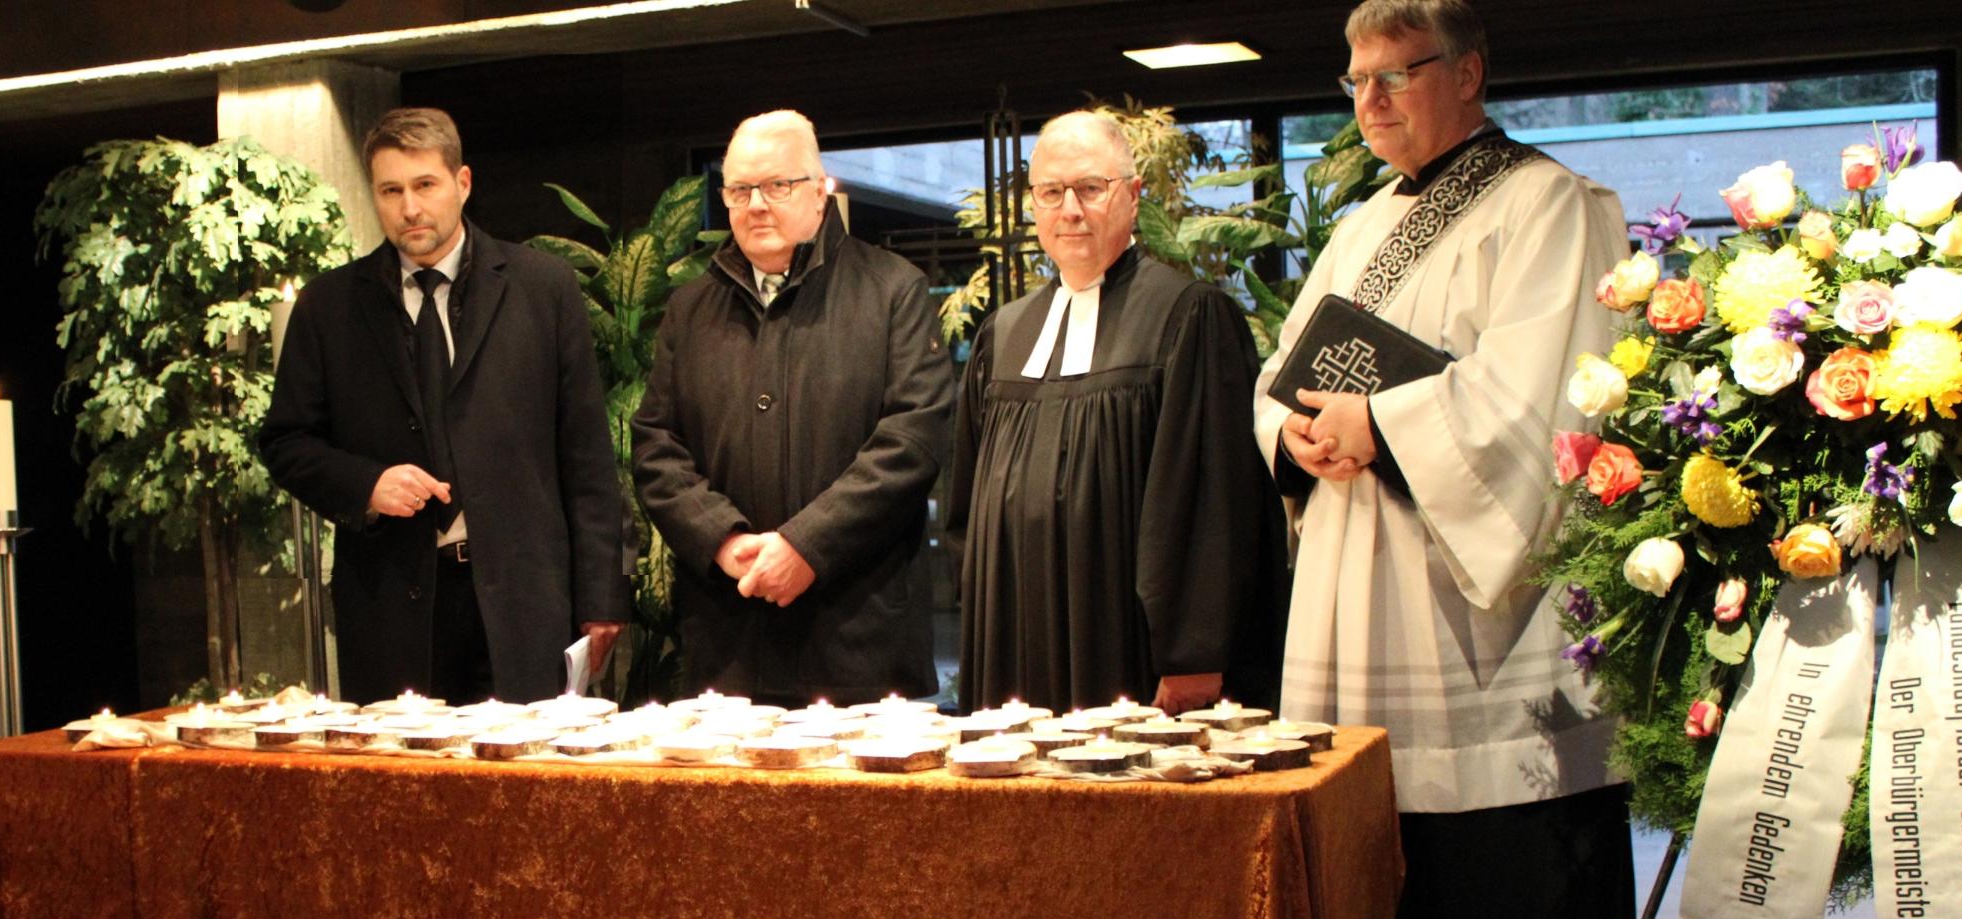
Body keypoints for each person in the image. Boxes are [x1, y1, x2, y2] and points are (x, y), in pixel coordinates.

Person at [1252, 1, 1641, 919]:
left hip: (1483, 614)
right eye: (1354, 79)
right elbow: (1282, 376)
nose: (1368, 100)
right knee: (1385, 882)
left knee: (1495, 890)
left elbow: (1545, 402)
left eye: (1396, 75)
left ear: (1469, 73)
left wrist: (1388, 424)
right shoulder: (1363, 223)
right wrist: (1298, 433)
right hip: (1356, 582)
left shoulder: (1555, 208)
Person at [260, 107, 629, 705]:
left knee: (523, 788)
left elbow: (585, 452)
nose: (409, 208)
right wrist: (366, 483)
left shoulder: (544, 287)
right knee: (406, 790)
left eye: (425, 186)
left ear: (462, 183)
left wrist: (602, 596)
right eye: (391, 190)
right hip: (389, 603)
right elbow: (285, 441)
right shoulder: (329, 307)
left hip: (523, 600)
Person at [949, 109, 1288, 715]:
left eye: (1090, 188)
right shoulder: (1003, 333)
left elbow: (1213, 503)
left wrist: (1193, 654)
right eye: (1051, 193)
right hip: (1011, 644)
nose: (1070, 210)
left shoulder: (1189, 317)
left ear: (1133, 195)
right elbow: (967, 504)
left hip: (1128, 647)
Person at [631, 110, 953, 707]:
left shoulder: (892, 290)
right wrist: (722, 539)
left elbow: (913, 439)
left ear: (819, 190)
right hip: (730, 641)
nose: (757, 204)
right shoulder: (690, 309)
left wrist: (807, 545)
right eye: (739, 189)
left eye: (778, 186)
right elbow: (655, 446)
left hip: (860, 641)